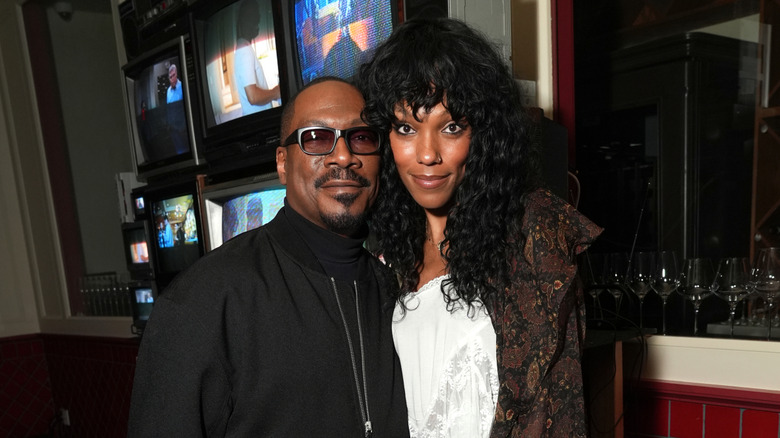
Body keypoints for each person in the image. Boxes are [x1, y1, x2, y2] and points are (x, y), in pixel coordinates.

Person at [358, 18, 602, 437]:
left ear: (484, 135)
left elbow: (559, 408)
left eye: (451, 127)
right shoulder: (387, 254)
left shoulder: (531, 233)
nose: (427, 154)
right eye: (406, 128)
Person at [128, 77, 410, 437]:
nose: (343, 156)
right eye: (316, 138)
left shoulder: (394, 292)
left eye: (362, 138)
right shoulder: (206, 299)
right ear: (282, 163)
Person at [234, 0, 281, 116]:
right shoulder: (244, 50)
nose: (259, 19)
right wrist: (276, 92)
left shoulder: (244, 47)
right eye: (255, 15)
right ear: (245, 20)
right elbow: (253, 97)